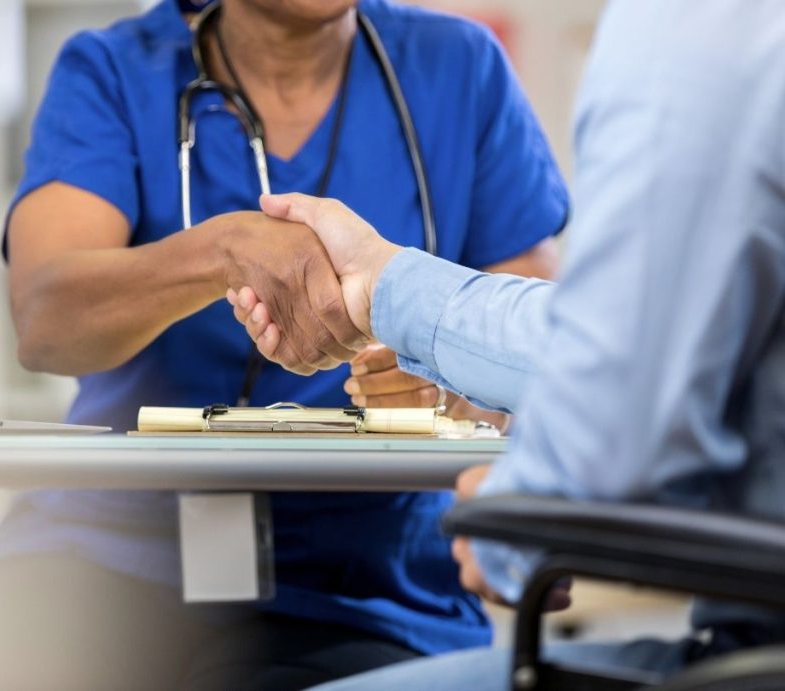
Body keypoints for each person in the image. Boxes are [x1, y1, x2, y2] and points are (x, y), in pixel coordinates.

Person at [0, 0, 568, 688]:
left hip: (366, 581)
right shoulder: (116, 70)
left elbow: (539, 346)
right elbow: (45, 319)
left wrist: (447, 387)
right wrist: (223, 248)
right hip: (108, 547)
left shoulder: (459, 68)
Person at [227, 1, 785, 688]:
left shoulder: (696, 31)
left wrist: (514, 517)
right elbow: (614, 333)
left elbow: (619, 428)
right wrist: (386, 286)